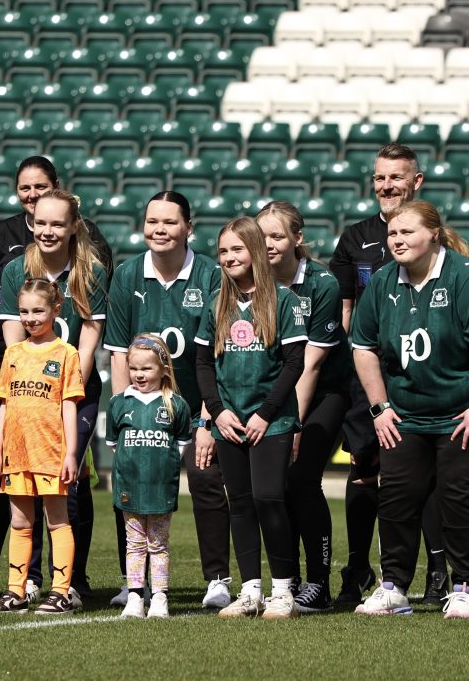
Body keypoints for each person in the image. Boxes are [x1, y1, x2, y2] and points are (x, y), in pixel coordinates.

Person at [0, 156, 112, 600]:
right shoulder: (15, 271)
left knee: (69, 483)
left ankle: (72, 581)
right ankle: (26, 580)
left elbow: (89, 343)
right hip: (27, 393)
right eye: (40, 223)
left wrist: (65, 392)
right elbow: (14, 348)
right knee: (24, 483)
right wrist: (31, 394)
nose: (47, 231)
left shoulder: (90, 271)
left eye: (56, 224)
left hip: (74, 392)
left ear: (73, 226)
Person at [351, 200, 469, 619]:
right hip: (404, 416)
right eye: (393, 233)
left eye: (407, 232)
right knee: (396, 500)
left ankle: (465, 587)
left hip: (461, 416)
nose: (397, 240)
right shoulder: (382, 282)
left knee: (461, 501)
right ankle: (393, 587)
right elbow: (363, 347)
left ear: (433, 234)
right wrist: (380, 408)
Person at [329, 143, 449, 605]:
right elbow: (344, 312)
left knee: (424, 472)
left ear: (417, 182)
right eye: (380, 177)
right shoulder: (355, 237)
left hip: (422, 372)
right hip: (369, 374)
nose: (386, 185)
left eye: (396, 177)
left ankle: (437, 571)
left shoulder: (432, 233)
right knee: (363, 468)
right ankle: (358, 567)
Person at [102, 191, 231, 609]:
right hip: (142, 410)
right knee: (131, 486)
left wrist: (207, 418)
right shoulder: (127, 275)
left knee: (206, 481)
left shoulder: (210, 275)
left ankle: (218, 580)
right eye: (152, 221)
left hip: (197, 406)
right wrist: (125, 413)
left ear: (188, 228)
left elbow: (218, 355)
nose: (159, 230)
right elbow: (118, 352)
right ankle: (133, 583)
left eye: (170, 222)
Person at [195, 216, 307, 620]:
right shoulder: (216, 303)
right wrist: (217, 412)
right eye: (223, 251)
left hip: (272, 421)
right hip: (229, 420)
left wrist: (265, 413)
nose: (228, 257)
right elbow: (203, 364)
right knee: (240, 503)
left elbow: (294, 364)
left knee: (268, 497)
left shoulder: (285, 301)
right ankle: (250, 591)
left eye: (237, 249)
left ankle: (283, 591)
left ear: (255, 250)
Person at [257, 201, 349, 613]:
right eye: (261, 237)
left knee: (301, 477)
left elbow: (311, 364)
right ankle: (286, 580)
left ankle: (319, 583)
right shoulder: (250, 281)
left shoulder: (322, 284)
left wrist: (292, 424)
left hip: (325, 391)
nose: (268, 244)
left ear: (297, 238)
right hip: (274, 394)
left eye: (277, 236)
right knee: (272, 486)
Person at [0, 279, 84, 614]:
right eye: (24, 311)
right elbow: (5, 405)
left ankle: (61, 592)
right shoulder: (13, 354)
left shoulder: (66, 354)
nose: (30, 318)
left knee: (57, 521)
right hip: (17, 452)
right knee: (20, 522)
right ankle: (16, 591)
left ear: (56, 310)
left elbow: (69, 406)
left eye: (38, 310)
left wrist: (71, 453)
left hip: (50, 451)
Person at [106, 335, 192, 619]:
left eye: (147, 368)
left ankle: (159, 597)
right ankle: (134, 596)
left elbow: (181, 444)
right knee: (134, 543)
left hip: (160, 487)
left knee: (158, 543)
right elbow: (116, 445)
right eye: (134, 368)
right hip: (129, 486)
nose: (139, 374)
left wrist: (161, 466)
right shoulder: (119, 403)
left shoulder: (176, 405)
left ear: (164, 369)